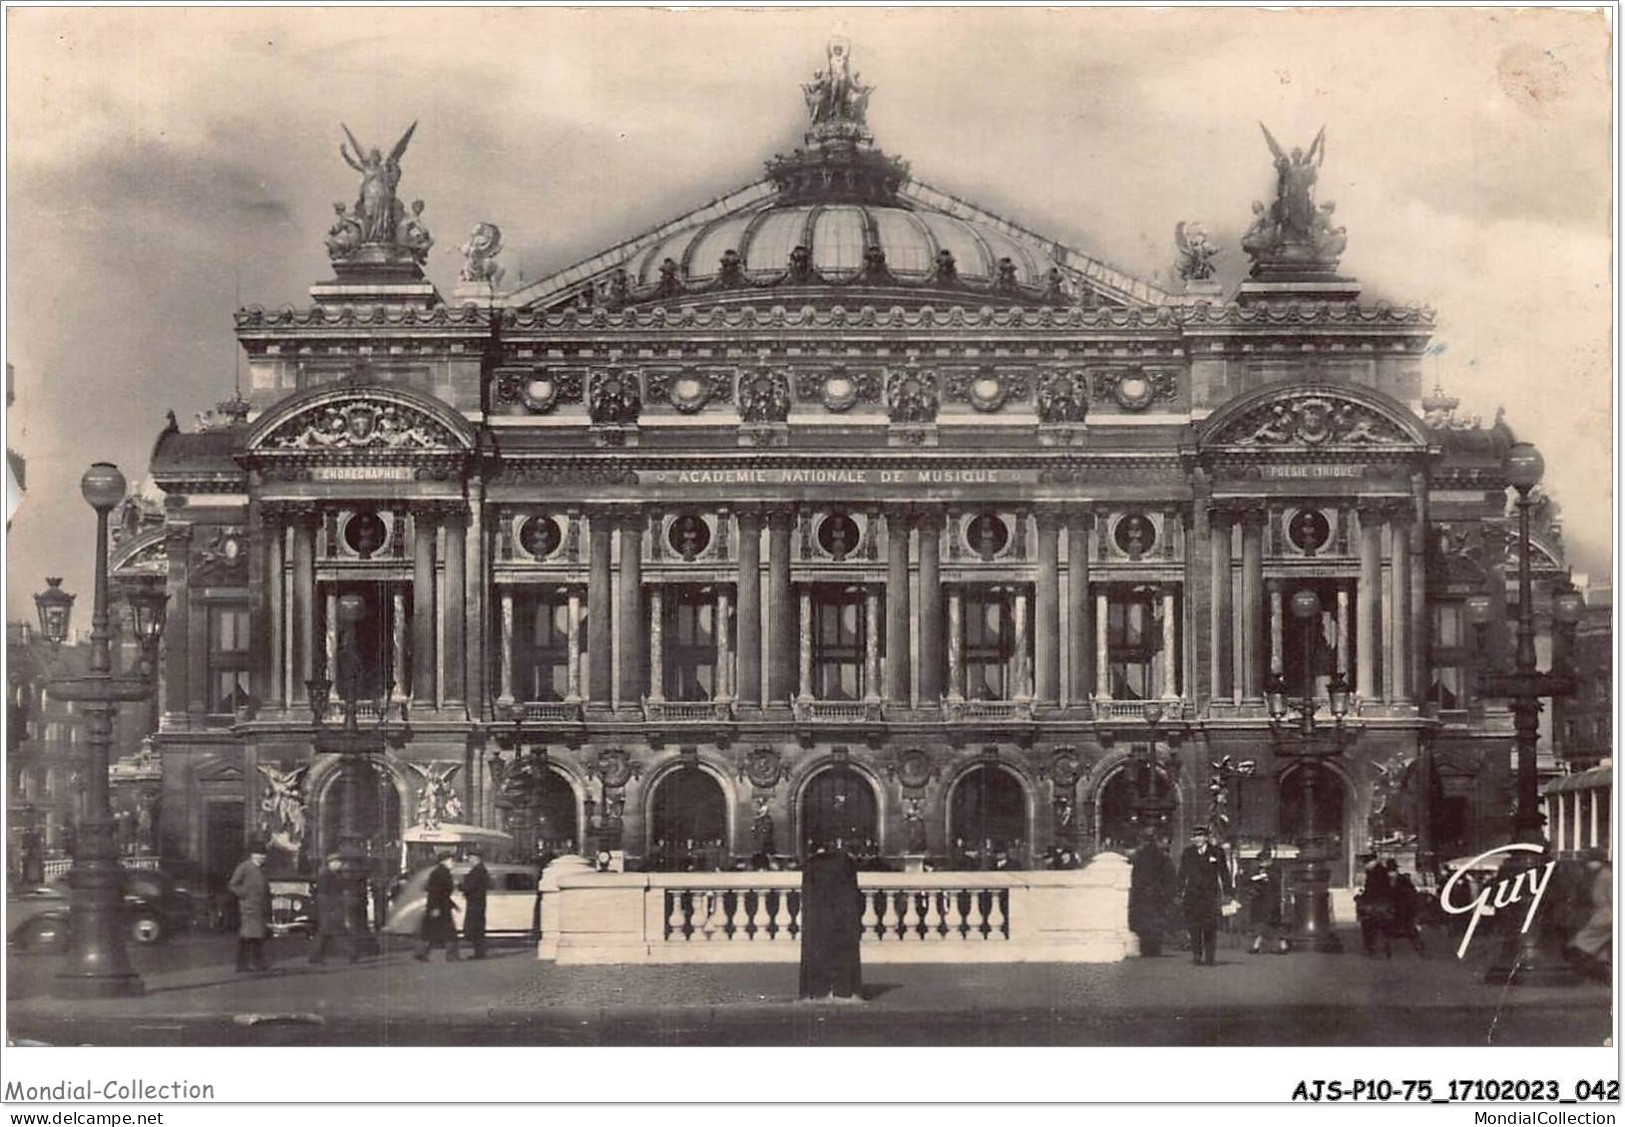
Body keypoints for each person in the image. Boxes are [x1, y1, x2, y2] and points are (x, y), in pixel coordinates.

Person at [798, 840, 863, 1002]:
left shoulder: (812, 864)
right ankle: (844, 990)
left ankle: (816, 991)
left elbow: (807, 895)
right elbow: (853, 896)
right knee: (843, 947)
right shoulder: (846, 864)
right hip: (842, 912)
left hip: (817, 913)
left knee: (816, 947)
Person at [1177, 825, 1233, 966]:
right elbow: (1182, 874)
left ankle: (1209, 957)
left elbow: (1224, 874)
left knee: (1210, 927)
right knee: (1194, 927)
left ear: (1207, 837)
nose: (1198, 839)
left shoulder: (1217, 852)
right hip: (1192, 896)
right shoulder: (1188, 853)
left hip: (1210, 896)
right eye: (1195, 836)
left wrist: (1228, 893)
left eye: (1201, 836)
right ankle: (1197, 954)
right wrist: (1178, 892)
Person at [1129, 829, 1176, 957]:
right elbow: (1169, 876)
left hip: (1143, 893)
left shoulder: (1138, 857)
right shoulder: (1162, 856)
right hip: (1156, 894)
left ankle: (1146, 948)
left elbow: (1134, 876)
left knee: (1144, 923)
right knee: (1155, 922)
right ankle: (1154, 948)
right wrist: (1167, 892)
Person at [1566, 849, 1612, 981]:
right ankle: (1604, 975)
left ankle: (1588, 974)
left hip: (1605, 918)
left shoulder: (1607, 876)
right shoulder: (1602, 875)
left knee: (1579, 943)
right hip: (1604, 917)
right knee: (1600, 949)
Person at [228, 845, 273, 972]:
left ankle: (256, 962)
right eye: (259, 854)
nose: (262, 857)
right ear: (252, 855)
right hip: (248, 906)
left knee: (257, 935)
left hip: (260, 907)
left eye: (264, 854)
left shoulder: (262, 869)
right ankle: (243, 964)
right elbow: (233, 885)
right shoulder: (244, 867)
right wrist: (244, 894)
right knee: (248, 935)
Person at [308, 855, 358, 965]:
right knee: (338, 933)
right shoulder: (326, 875)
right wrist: (331, 908)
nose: (340, 864)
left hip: (331, 908)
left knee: (325, 934)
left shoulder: (333, 875)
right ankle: (352, 954)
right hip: (331, 909)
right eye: (338, 862)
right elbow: (323, 895)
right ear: (331, 863)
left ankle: (315, 956)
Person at [415, 852, 461, 962]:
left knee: (431, 931)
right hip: (440, 907)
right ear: (444, 861)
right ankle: (452, 955)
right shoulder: (441, 873)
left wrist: (452, 905)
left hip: (440, 906)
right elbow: (436, 892)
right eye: (451, 860)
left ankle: (421, 953)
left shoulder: (440, 872)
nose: (453, 863)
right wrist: (435, 907)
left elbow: (442, 893)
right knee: (449, 932)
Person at [1246, 844, 1290, 955]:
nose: (1261, 864)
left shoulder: (1273, 871)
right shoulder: (1260, 871)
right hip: (1264, 901)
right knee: (1271, 925)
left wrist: (1265, 878)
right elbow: (1251, 882)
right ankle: (1282, 946)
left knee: (1268, 924)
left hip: (1272, 901)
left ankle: (1258, 946)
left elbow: (1276, 883)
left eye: (1263, 861)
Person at [1358, 857, 1395, 957]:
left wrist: (1364, 899)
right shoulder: (1379, 870)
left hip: (1377, 904)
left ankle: (1371, 948)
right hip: (1381, 903)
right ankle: (1376, 948)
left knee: (1369, 924)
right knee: (1376, 926)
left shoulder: (1376, 872)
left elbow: (1372, 890)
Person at [1388, 868, 1426, 957]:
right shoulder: (1411, 890)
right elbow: (1416, 902)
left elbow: (1393, 901)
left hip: (1400, 915)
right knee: (1412, 933)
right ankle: (1420, 949)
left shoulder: (1397, 891)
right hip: (1409, 915)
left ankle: (1389, 951)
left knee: (1393, 933)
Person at [461, 850, 491, 959]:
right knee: (476, 927)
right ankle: (479, 951)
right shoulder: (480, 870)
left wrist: (461, 886)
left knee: (475, 927)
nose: (469, 860)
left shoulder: (478, 871)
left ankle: (480, 952)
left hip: (475, 903)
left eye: (471, 857)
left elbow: (470, 886)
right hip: (477, 902)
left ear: (476, 858)